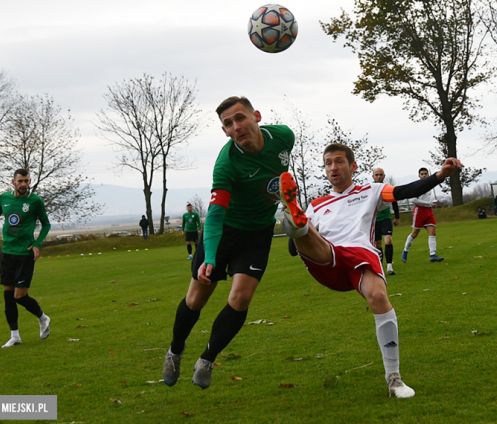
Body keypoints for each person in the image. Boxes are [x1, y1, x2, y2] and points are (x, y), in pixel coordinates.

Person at [279, 142, 464, 398]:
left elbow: (405, 191)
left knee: (378, 296)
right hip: (326, 257)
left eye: (339, 161)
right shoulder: (318, 204)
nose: (333, 167)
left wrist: (440, 175)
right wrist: (299, 232)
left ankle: (394, 380)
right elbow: (291, 250)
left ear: (353, 166)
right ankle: (296, 219)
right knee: (307, 230)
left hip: (360, 255)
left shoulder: (372, 190)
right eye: (328, 163)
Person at [162, 96, 294, 389]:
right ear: (224, 132)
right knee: (196, 299)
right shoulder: (226, 165)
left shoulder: (284, 137)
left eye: (240, 118)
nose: (236, 126)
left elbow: (280, 175)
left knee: (240, 298)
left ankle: (207, 359)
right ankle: (175, 350)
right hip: (223, 233)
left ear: (257, 116)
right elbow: (216, 216)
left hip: (258, 234)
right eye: (228, 124)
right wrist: (209, 257)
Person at [0, 169, 52, 348]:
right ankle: (15, 336)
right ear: (13, 182)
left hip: (25, 254)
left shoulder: (35, 201)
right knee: (8, 296)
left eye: (26, 181)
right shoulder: (4, 198)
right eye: (20, 181)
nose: (23, 184)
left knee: (19, 295)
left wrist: (37, 243)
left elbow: (46, 224)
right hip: (7, 253)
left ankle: (43, 318)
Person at [401, 167, 444, 263]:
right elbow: (414, 200)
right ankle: (405, 250)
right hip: (419, 211)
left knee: (432, 232)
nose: (424, 175)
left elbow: (426, 199)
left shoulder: (430, 185)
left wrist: (432, 203)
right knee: (414, 233)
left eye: (426, 173)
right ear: (419, 176)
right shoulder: (417, 186)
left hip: (428, 211)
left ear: (428, 174)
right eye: (422, 174)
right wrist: (429, 204)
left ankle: (432, 254)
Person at [372, 168, 401, 275]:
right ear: (373, 176)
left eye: (381, 175)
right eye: (376, 175)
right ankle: (379, 266)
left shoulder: (387, 188)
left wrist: (397, 217)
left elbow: (394, 202)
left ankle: (389, 266)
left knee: (388, 240)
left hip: (386, 218)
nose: (378, 177)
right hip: (374, 220)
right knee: (377, 243)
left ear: (384, 176)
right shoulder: (370, 189)